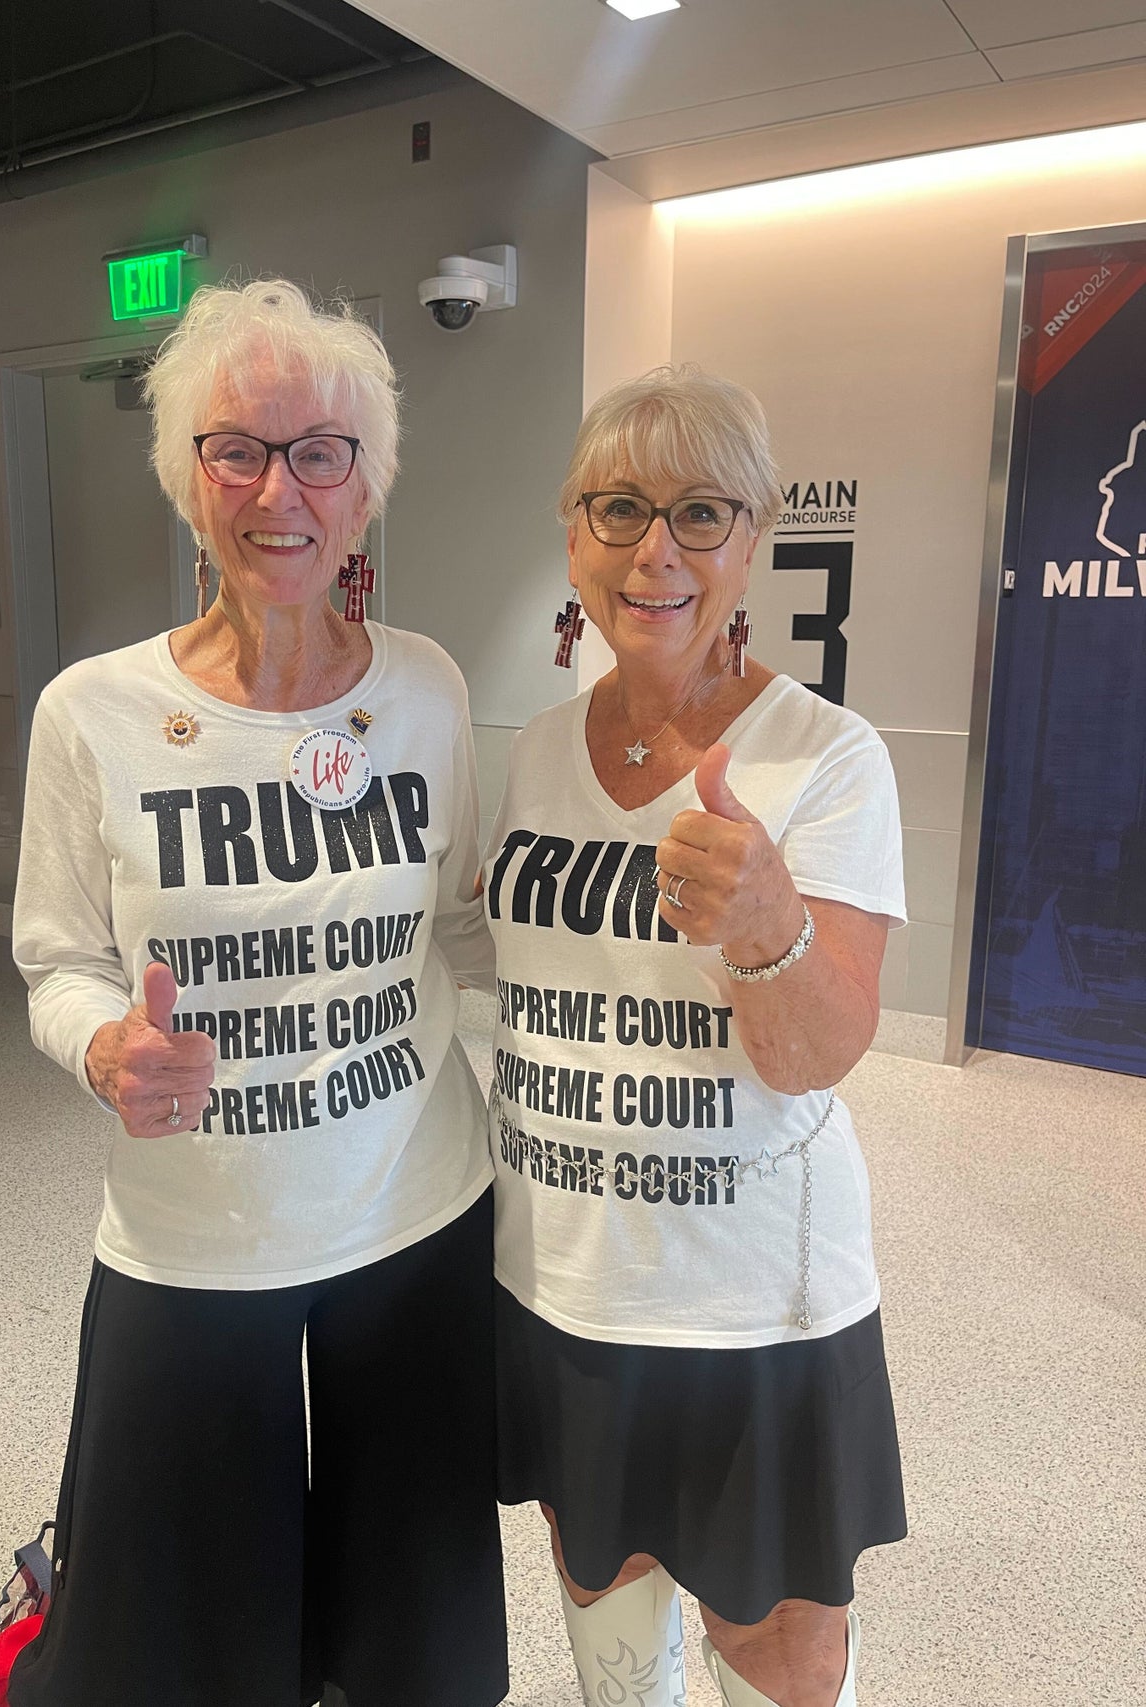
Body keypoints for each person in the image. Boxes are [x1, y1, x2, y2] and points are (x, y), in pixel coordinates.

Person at [5, 280, 508, 1707]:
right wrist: (105, 1048)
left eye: (319, 453)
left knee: (413, 1647)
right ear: (188, 482)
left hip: (415, 1220)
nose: (279, 488)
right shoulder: (89, 713)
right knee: (181, 1655)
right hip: (187, 1246)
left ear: (366, 490)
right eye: (238, 449)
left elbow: (465, 929)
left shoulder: (424, 690)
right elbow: (55, 959)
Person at [483, 366, 907, 1707]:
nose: (654, 547)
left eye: (700, 512)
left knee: (771, 1639)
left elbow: (817, 1050)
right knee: (600, 1576)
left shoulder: (828, 757)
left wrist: (771, 921)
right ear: (572, 535)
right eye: (618, 508)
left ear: (755, 537)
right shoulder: (536, 750)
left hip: (751, 1304)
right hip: (564, 1276)